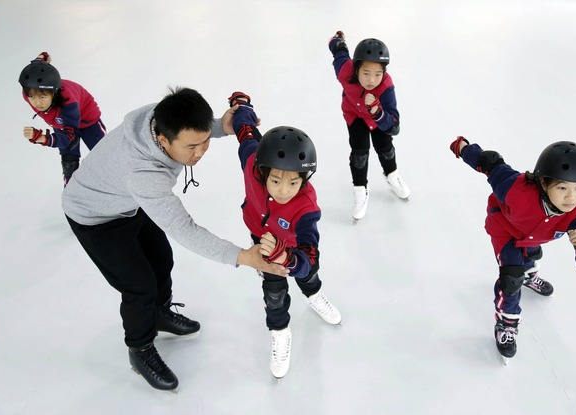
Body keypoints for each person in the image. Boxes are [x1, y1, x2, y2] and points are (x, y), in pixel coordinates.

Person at [62, 87, 288, 391]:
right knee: (139, 285)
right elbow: (185, 229)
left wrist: (222, 125)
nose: (200, 152)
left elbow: (196, 128)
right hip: (94, 216)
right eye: (191, 147)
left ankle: (159, 313)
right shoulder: (144, 175)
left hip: (126, 201)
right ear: (164, 140)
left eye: (204, 141)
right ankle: (140, 350)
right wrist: (242, 256)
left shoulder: (161, 116)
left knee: (161, 258)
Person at [450, 137, 576, 361]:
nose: (571, 197)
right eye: (562, 187)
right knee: (511, 278)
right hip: (505, 229)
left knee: (531, 254)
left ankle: (529, 276)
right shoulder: (515, 188)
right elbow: (490, 162)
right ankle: (506, 325)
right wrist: (463, 148)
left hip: (535, 236)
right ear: (543, 182)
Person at [227, 92, 342, 378]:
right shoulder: (252, 160)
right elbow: (246, 131)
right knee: (274, 291)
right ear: (262, 171)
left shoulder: (306, 209)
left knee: (307, 276)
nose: (283, 189)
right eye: (276, 180)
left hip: (292, 249)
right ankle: (280, 331)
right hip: (259, 234)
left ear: (304, 180)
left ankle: (314, 295)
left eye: (294, 182)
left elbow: (310, 258)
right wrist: (242, 105)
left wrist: (286, 256)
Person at [328, 31, 410, 220]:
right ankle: (360, 190)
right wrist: (336, 41)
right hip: (354, 115)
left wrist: (378, 113)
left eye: (377, 74)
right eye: (366, 73)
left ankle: (392, 175)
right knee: (359, 154)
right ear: (356, 69)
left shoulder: (386, 87)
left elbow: (394, 127)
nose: (372, 80)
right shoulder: (344, 71)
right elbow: (339, 53)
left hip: (378, 118)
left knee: (385, 148)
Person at [19, 52, 106, 185]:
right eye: (32, 96)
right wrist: (41, 59)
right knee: (69, 163)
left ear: (54, 93)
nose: (37, 103)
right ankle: (72, 195)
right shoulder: (29, 92)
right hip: (61, 124)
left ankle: (123, 185)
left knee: (105, 155)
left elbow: (69, 140)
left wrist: (43, 138)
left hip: (87, 120)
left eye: (42, 97)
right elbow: (37, 69)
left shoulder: (68, 104)